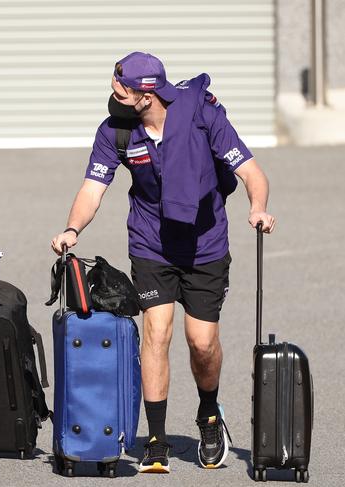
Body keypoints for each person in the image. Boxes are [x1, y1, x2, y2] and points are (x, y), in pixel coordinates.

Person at [51, 52, 275, 474]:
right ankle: (156, 438)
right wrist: (72, 229)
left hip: (204, 244)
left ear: (146, 94)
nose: (113, 94)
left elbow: (252, 173)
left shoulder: (203, 119)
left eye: (122, 89)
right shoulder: (115, 131)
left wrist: (258, 208)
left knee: (202, 343)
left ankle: (209, 415)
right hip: (151, 243)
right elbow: (92, 188)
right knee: (156, 330)